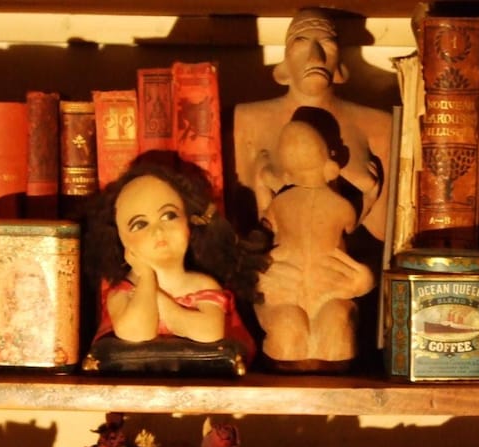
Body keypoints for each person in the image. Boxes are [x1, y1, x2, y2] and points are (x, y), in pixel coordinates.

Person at [82, 150, 267, 366]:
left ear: (189, 222)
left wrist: (160, 302)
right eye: (140, 224)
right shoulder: (120, 293)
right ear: (121, 239)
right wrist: (146, 277)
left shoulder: (203, 286)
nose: (158, 231)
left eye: (169, 216)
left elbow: (209, 332)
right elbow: (136, 333)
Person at [232, 8, 392, 243]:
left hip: (344, 258)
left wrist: (368, 196)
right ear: (285, 62)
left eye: (327, 45)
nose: (315, 58)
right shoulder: (246, 119)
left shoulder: (379, 124)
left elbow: (385, 234)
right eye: (301, 43)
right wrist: (262, 180)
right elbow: (244, 228)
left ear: (340, 62)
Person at [256, 118, 375, 367]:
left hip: (315, 290)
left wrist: (261, 181)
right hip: (306, 289)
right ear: (330, 165)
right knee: (321, 326)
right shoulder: (341, 206)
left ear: (287, 174)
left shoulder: (279, 204)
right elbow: (353, 223)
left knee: (326, 326)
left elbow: (264, 219)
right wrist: (370, 196)